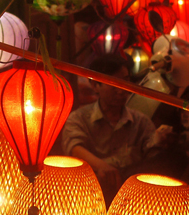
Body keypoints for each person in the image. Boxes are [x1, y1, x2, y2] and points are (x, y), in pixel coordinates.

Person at [61, 55, 175, 196]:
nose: (121, 91)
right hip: (89, 193)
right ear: (95, 85)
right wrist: (103, 167)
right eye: (113, 83)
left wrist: (162, 140)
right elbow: (74, 148)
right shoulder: (79, 119)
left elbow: (152, 153)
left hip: (133, 196)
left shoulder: (141, 122)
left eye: (125, 82)